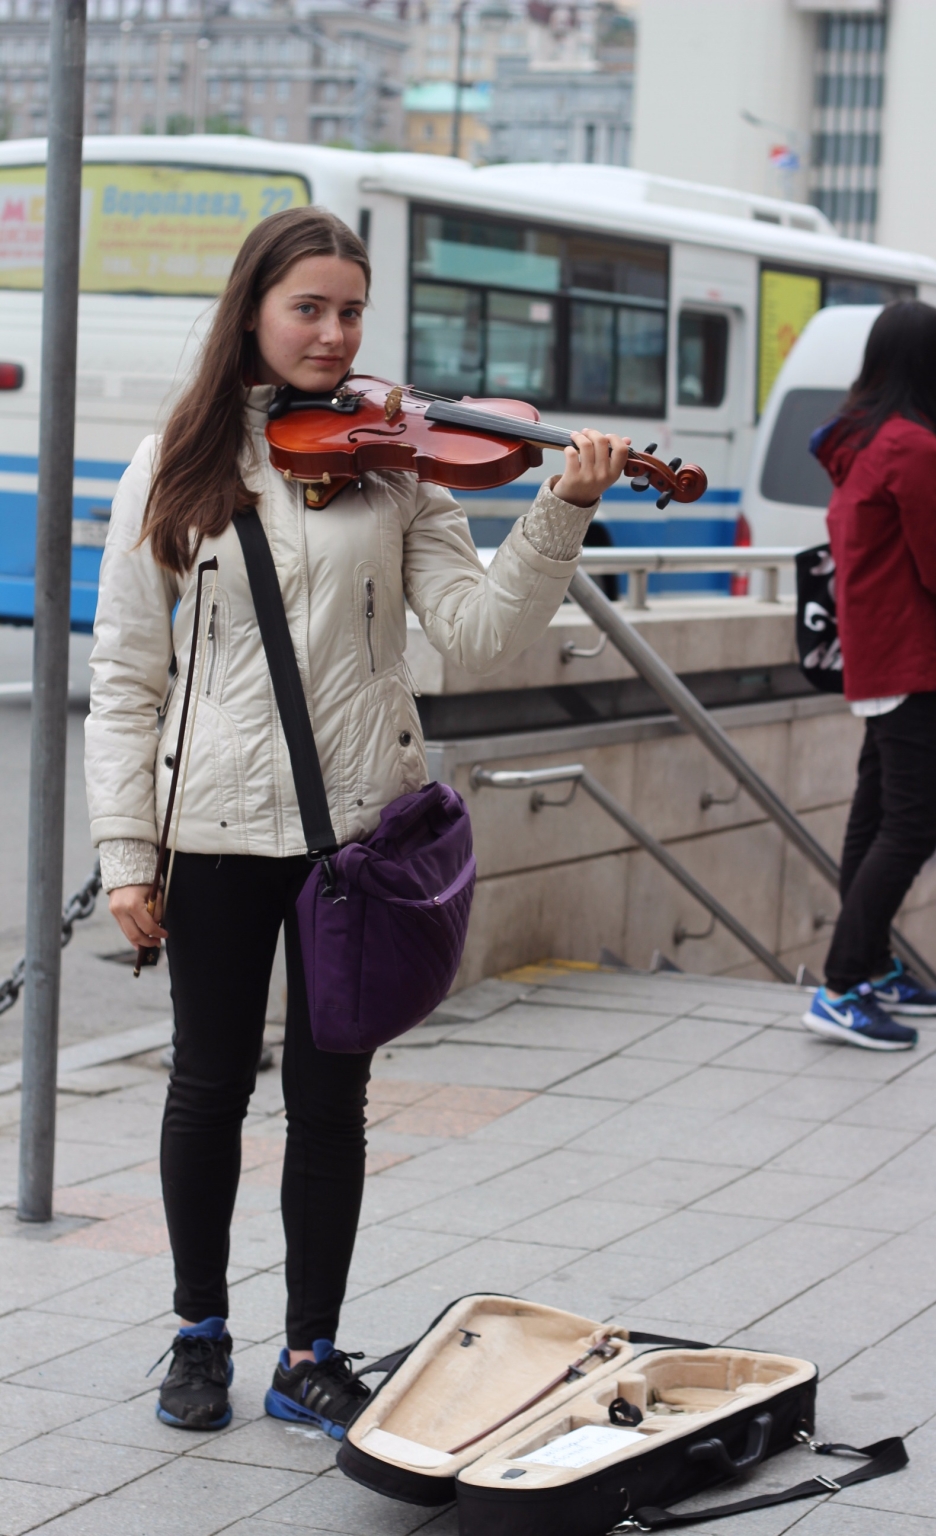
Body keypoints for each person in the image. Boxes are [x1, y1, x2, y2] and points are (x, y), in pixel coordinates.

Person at [85, 206, 630, 1435]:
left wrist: (558, 514)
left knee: (332, 1103)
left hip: (356, 835)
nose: (332, 335)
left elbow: (482, 633)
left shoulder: (398, 462)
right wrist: (126, 852)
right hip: (216, 826)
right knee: (208, 1089)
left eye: (350, 312)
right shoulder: (174, 464)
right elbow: (125, 675)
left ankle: (310, 1352)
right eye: (308, 309)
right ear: (254, 314)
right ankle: (198, 1335)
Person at [802, 299, 936, 1051]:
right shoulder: (916, 448)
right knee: (909, 827)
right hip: (914, 658)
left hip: (880, 654)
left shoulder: (864, 443)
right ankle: (840, 985)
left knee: (874, 820)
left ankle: (867, 968)